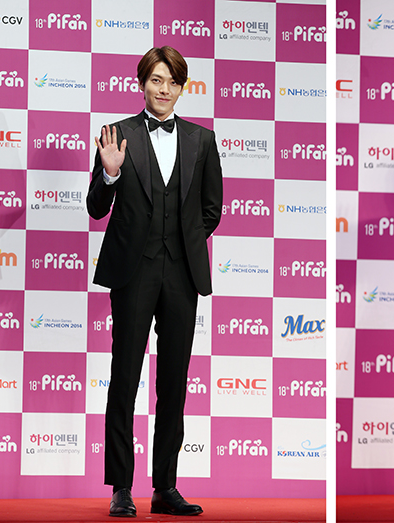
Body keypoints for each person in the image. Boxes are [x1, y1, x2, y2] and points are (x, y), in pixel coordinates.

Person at [88, 46, 223, 517]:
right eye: (156, 80)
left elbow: (211, 210)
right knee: (123, 378)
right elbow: (95, 207)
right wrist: (109, 172)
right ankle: (120, 488)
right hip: (132, 270)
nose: (164, 90)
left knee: (175, 383)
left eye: (173, 82)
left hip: (182, 274)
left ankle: (165, 487)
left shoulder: (202, 140)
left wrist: (181, 244)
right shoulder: (116, 135)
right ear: (142, 82)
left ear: (183, 88)